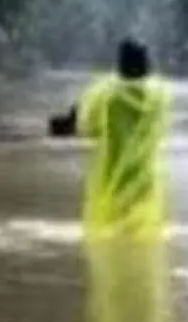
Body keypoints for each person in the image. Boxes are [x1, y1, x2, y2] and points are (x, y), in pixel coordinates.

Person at [48, 39, 173, 237]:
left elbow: (85, 123)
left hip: (112, 172)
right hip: (144, 175)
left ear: (120, 64)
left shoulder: (106, 93)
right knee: (140, 230)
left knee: (112, 227)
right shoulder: (158, 94)